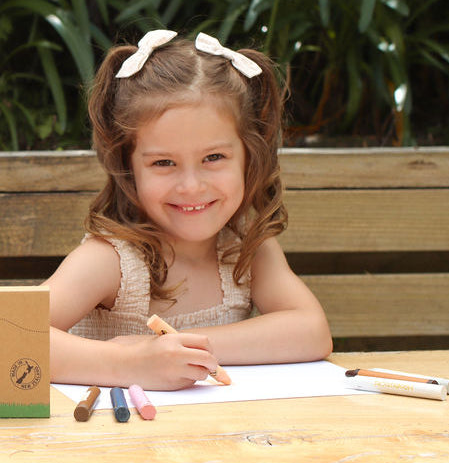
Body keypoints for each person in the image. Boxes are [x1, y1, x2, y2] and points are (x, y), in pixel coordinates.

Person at [46, 30, 333, 390]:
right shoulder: (111, 261)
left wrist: (183, 347)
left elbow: (311, 330)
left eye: (213, 157)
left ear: (249, 155)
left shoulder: (243, 249)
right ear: (127, 166)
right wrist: (128, 364)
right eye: (164, 162)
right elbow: (6, 334)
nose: (191, 186)